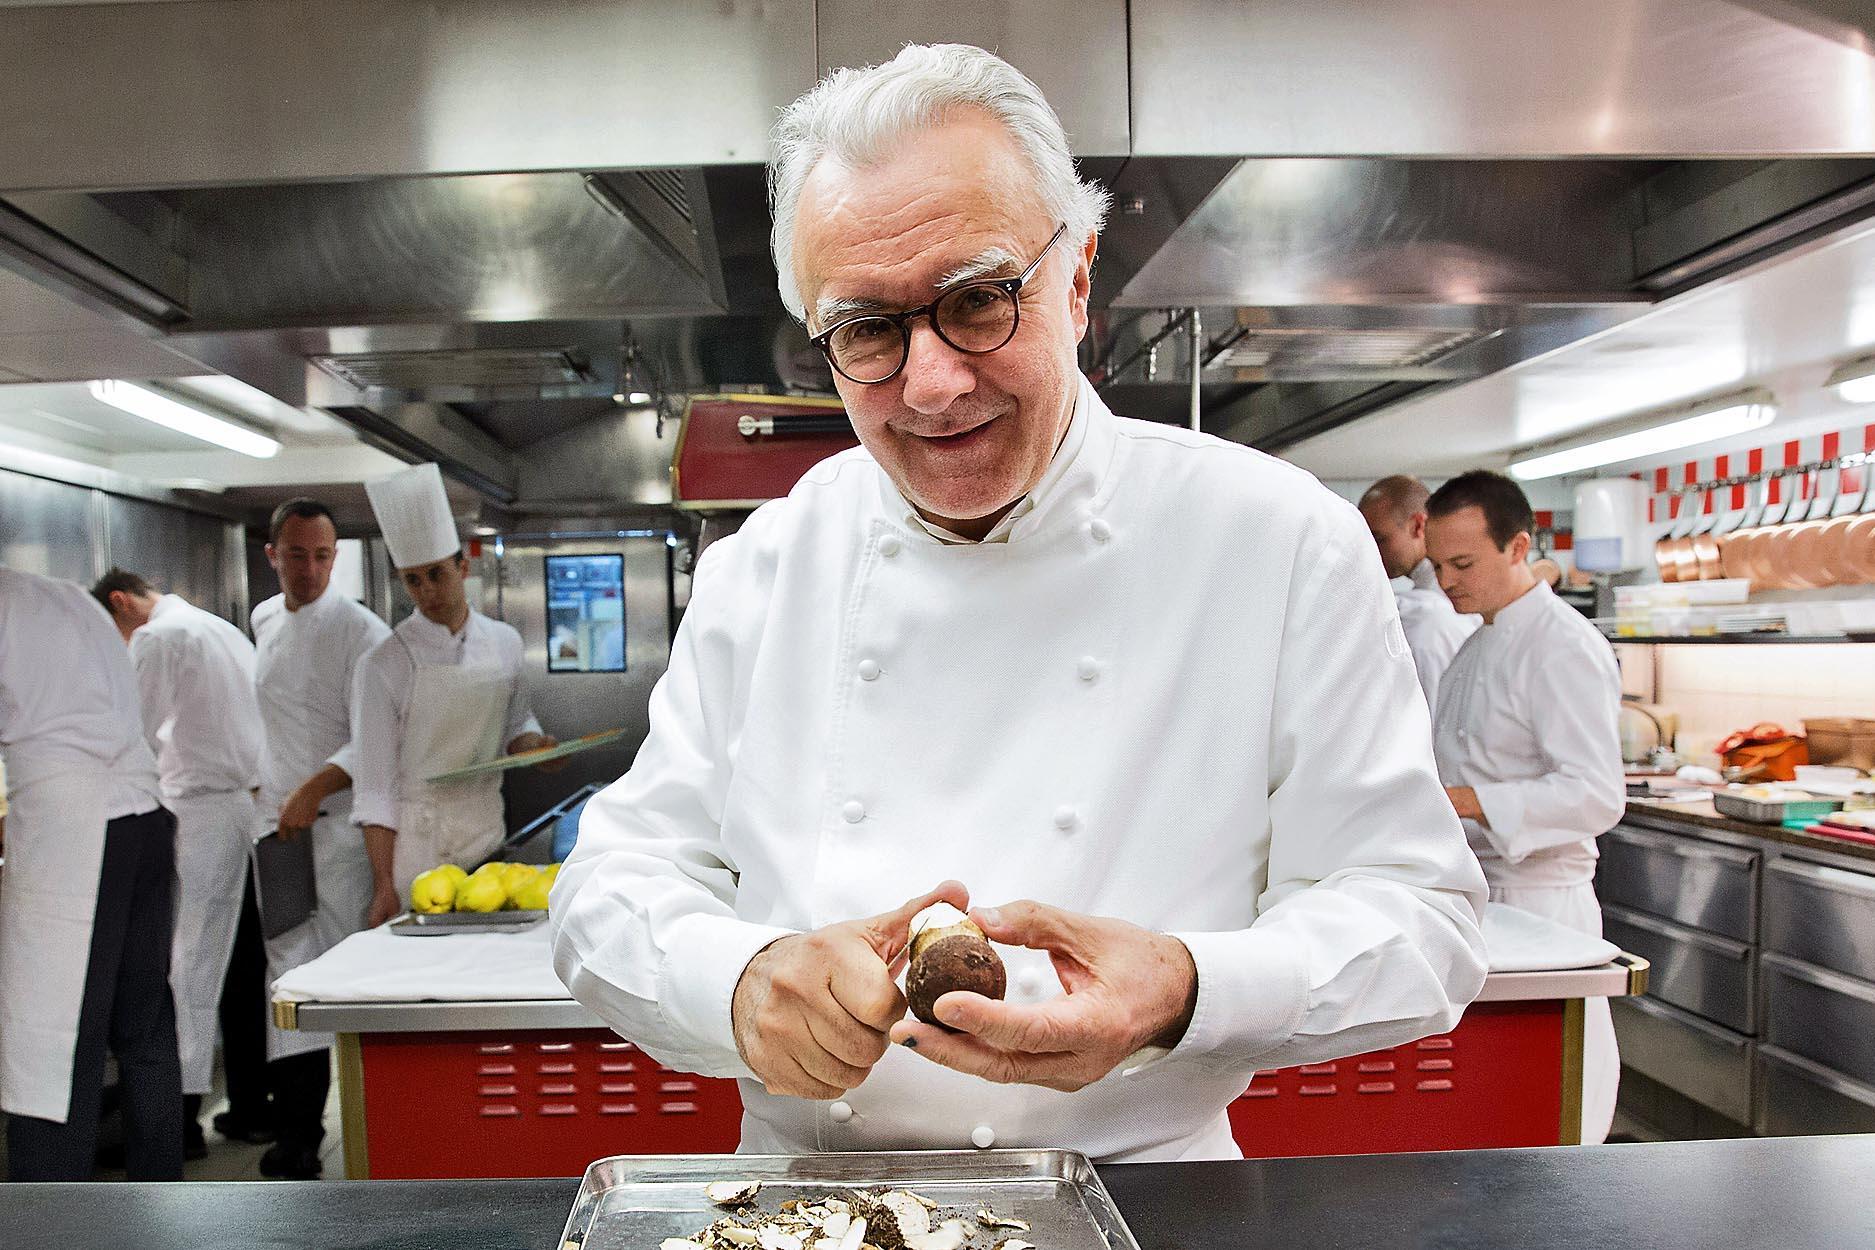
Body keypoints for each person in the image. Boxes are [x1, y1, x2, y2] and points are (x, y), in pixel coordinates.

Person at [551, 44, 1489, 1162]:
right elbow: (608, 885)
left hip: (1148, 1199)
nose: (933, 383)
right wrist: (738, 979)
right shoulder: (767, 565)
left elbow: (1420, 914)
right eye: (867, 329)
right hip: (811, 1207)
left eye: (978, 300)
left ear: (1078, 278)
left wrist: (1190, 987)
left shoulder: (1278, 541)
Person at [1423, 469, 1626, 1144]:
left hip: (1542, 902)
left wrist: (1465, 801)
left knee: (1556, 1101)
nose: (1447, 581)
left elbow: (1596, 794)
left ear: (1516, 548)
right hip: (1481, 892)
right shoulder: (1476, 643)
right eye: (1437, 566)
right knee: (1493, 1097)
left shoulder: (1562, 646)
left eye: (1462, 564)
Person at [0, 566, 181, 1181]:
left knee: (54, 1033)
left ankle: (51, 1212)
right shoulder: (69, 598)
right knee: (145, 1028)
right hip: (144, 818)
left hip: (73, 834)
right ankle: (161, 1197)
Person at [92, 568, 263, 1161]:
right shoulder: (219, 629)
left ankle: (175, 1123)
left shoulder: (157, 638)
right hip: (240, 809)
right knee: (231, 966)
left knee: (184, 967)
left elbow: (130, 735)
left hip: (197, 813)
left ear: (121, 603)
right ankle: (239, 1107)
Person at [351, 463, 558, 926]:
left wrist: (538, 748)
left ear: (462, 568)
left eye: (436, 574)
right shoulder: (384, 662)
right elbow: (374, 787)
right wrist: (382, 884)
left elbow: (517, 724)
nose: (427, 591)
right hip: (418, 848)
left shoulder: (503, 642)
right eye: (413, 580)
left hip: (485, 832)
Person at [252, 498, 391, 1178]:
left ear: (336, 558)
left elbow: (376, 737)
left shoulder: (361, 632)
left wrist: (313, 788)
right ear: (272, 555)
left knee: (342, 983)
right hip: (277, 835)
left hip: (337, 836)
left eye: (322, 556)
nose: (309, 569)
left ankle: (365, 1131)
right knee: (286, 980)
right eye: (296, 555)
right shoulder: (263, 620)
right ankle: (297, 1135)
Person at [1359, 475, 1479, 715]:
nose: (1371, 552)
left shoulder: (1426, 618)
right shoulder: (1423, 605)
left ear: (1417, 526)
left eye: (1379, 539)